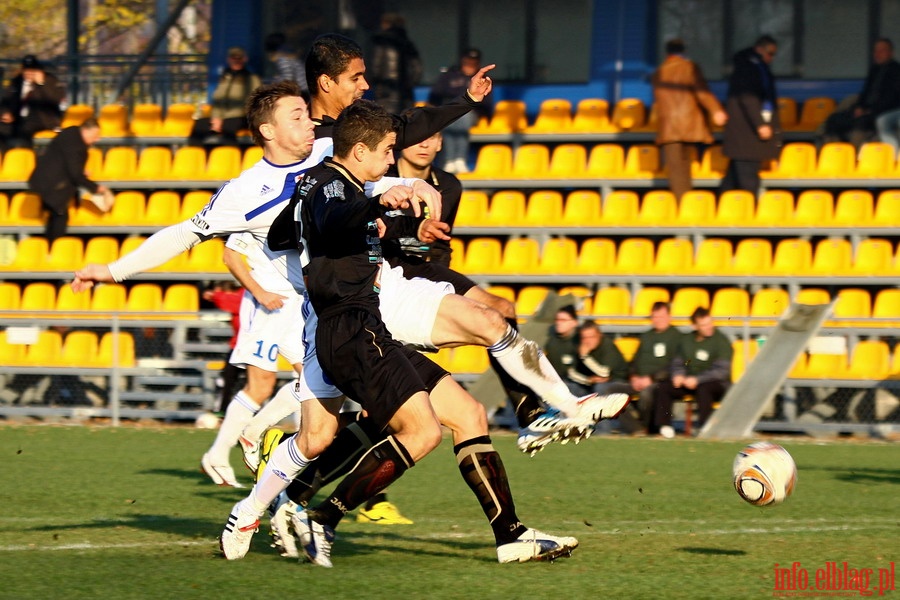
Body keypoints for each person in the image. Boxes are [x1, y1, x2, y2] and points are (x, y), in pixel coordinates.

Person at [222, 99, 580, 567]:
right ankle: (318, 517)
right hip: (349, 329)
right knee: (418, 430)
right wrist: (369, 206)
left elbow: (288, 237)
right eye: (388, 151)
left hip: (367, 326)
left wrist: (393, 226)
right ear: (360, 152)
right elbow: (332, 220)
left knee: (462, 414)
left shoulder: (338, 187)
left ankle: (509, 534)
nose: (393, 160)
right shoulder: (333, 185)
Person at [651, 38, 727, 199]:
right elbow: (701, 91)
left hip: (668, 126)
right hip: (688, 121)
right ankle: (687, 206)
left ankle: (683, 206)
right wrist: (716, 110)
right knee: (685, 167)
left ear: (667, 53)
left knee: (676, 171)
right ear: (683, 51)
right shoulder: (689, 67)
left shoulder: (658, 72)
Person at [651, 307, 732, 438]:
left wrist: (698, 379)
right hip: (689, 382)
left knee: (704, 389)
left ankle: (704, 428)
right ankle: (665, 427)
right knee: (664, 387)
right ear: (695, 326)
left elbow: (722, 371)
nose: (709, 327)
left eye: (710, 323)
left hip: (716, 384)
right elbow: (678, 362)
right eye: (704, 325)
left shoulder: (721, 341)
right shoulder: (687, 340)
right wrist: (678, 374)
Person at [27, 117, 110, 242]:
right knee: (60, 217)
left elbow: (66, 161)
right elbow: (75, 174)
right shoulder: (77, 146)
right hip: (52, 185)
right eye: (95, 135)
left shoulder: (71, 132)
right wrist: (96, 188)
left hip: (44, 180)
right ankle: (53, 247)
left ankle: (49, 246)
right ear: (86, 131)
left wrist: (80, 171)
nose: (97, 139)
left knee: (55, 215)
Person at [385, 129, 459, 265]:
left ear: (439, 143)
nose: (424, 144)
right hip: (385, 267)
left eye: (431, 137)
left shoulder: (449, 185)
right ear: (400, 141)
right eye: (417, 136)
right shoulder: (380, 178)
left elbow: (441, 244)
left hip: (425, 269)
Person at [720, 35, 781, 195]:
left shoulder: (759, 67)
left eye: (774, 54)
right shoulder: (748, 68)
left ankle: (722, 208)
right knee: (748, 180)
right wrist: (760, 124)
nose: (771, 57)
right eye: (769, 53)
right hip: (746, 134)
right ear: (759, 49)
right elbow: (749, 98)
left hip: (745, 136)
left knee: (732, 180)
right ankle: (749, 214)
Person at [822, 38, 900, 147]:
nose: (878, 54)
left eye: (882, 51)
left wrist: (868, 110)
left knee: (860, 125)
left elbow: (891, 99)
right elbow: (865, 92)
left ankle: (857, 157)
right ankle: (834, 155)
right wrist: (859, 107)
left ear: (891, 52)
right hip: (865, 109)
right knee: (834, 120)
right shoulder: (874, 70)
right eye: (876, 51)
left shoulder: (896, 71)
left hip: (880, 112)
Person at [621, 301, 682, 434]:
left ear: (669, 317)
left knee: (647, 393)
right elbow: (634, 361)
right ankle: (635, 428)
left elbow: (674, 366)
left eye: (661, 316)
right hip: (638, 381)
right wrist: (633, 376)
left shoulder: (677, 337)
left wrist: (651, 378)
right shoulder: (646, 336)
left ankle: (647, 428)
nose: (658, 320)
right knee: (608, 390)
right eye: (655, 317)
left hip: (658, 382)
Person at [428, 48, 492, 173]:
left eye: (474, 62)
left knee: (462, 116)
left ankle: (458, 159)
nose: (471, 64)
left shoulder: (482, 79)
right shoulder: (449, 76)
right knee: (450, 117)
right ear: (463, 61)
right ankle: (451, 160)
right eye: (468, 61)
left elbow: (487, 103)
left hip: (470, 114)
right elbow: (435, 95)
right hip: (448, 113)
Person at [188, 47, 262, 146]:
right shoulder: (225, 78)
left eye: (239, 58)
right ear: (229, 59)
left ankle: (231, 157)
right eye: (233, 58)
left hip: (241, 116)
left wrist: (222, 119)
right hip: (221, 117)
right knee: (199, 125)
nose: (236, 61)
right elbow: (218, 101)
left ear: (244, 59)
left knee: (228, 128)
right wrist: (216, 118)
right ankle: (199, 156)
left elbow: (253, 103)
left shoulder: (251, 78)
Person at [0, 54, 65, 148]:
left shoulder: (50, 80)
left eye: (32, 70)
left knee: (24, 130)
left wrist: (42, 84)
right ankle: (5, 158)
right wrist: (5, 112)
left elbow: (55, 99)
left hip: (42, 118)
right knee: (2, 129)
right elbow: (6, 100)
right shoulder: (17, 82)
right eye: (26, 71)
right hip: (17, 117)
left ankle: (25, 155)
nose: (29, 73)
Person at [202, 281, 245, 415]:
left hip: (250, 347)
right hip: (237, 346)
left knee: (251, 384)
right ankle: (223, 410)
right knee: (227, 380)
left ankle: (248, 413)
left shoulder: (243, 296)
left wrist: (215, 295)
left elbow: (231, 302)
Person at [369, 12, 422, 115]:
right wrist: (409, 84)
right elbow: (417, 69)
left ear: (386, 24)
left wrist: (375, 83)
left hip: (385, 91)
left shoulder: (381, 42)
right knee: (404, 123)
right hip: (405, 93)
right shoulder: (407, 43)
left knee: (385, 124)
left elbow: (375, 67)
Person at [567, 321, 629, 397]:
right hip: (591, 384)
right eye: (584, 337)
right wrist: (588, 380)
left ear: (599, 335)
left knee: (600, 387)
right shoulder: (579, 346)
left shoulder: (608, 345)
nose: (588, 341)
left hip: (617, 381)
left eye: (592, 337)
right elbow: (571, 373)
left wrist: (585, 357)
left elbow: (604, 373)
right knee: (567, 387)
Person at [543, 305, 581, 382]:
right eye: (557, 320)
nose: (558, 323)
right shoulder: (551, 342)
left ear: (574, 322)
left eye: (563, 320)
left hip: (579, 383)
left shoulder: (581, 341)